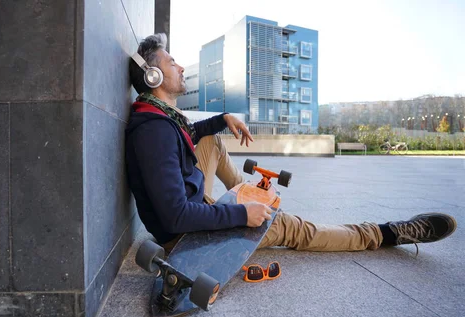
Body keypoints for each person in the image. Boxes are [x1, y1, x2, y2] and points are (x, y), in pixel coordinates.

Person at [125, 33, 457, 254]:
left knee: (211, 141)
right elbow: (175, 218)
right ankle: (386, 234)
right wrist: (241, 215)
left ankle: (252, 197)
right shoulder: (154, 132)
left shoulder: (158, 119)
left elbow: (189, 136)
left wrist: (223, 118)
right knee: (295, 229)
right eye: (172, 63)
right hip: (185, 239)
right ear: (153, 77)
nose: (181, 66)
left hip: (194, 201)